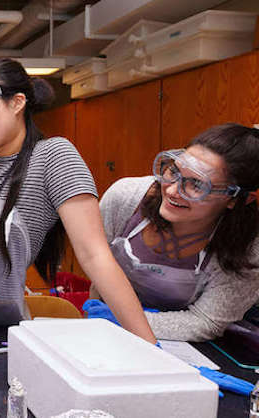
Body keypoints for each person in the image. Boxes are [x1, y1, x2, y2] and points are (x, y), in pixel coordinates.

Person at [0, 57, 156, 348]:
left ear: (17, 103)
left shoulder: (52, 158)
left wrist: (150, 346)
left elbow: (95, 256)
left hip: (4, 329)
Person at [86, 124, 259, 341]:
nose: (172, 190)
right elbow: (96, 267)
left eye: (196, 184)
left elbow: (205, 321)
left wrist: (122, 320)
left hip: (182, 344)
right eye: (174, 171)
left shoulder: (248, 247)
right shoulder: (126, 198)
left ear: (235, 199)